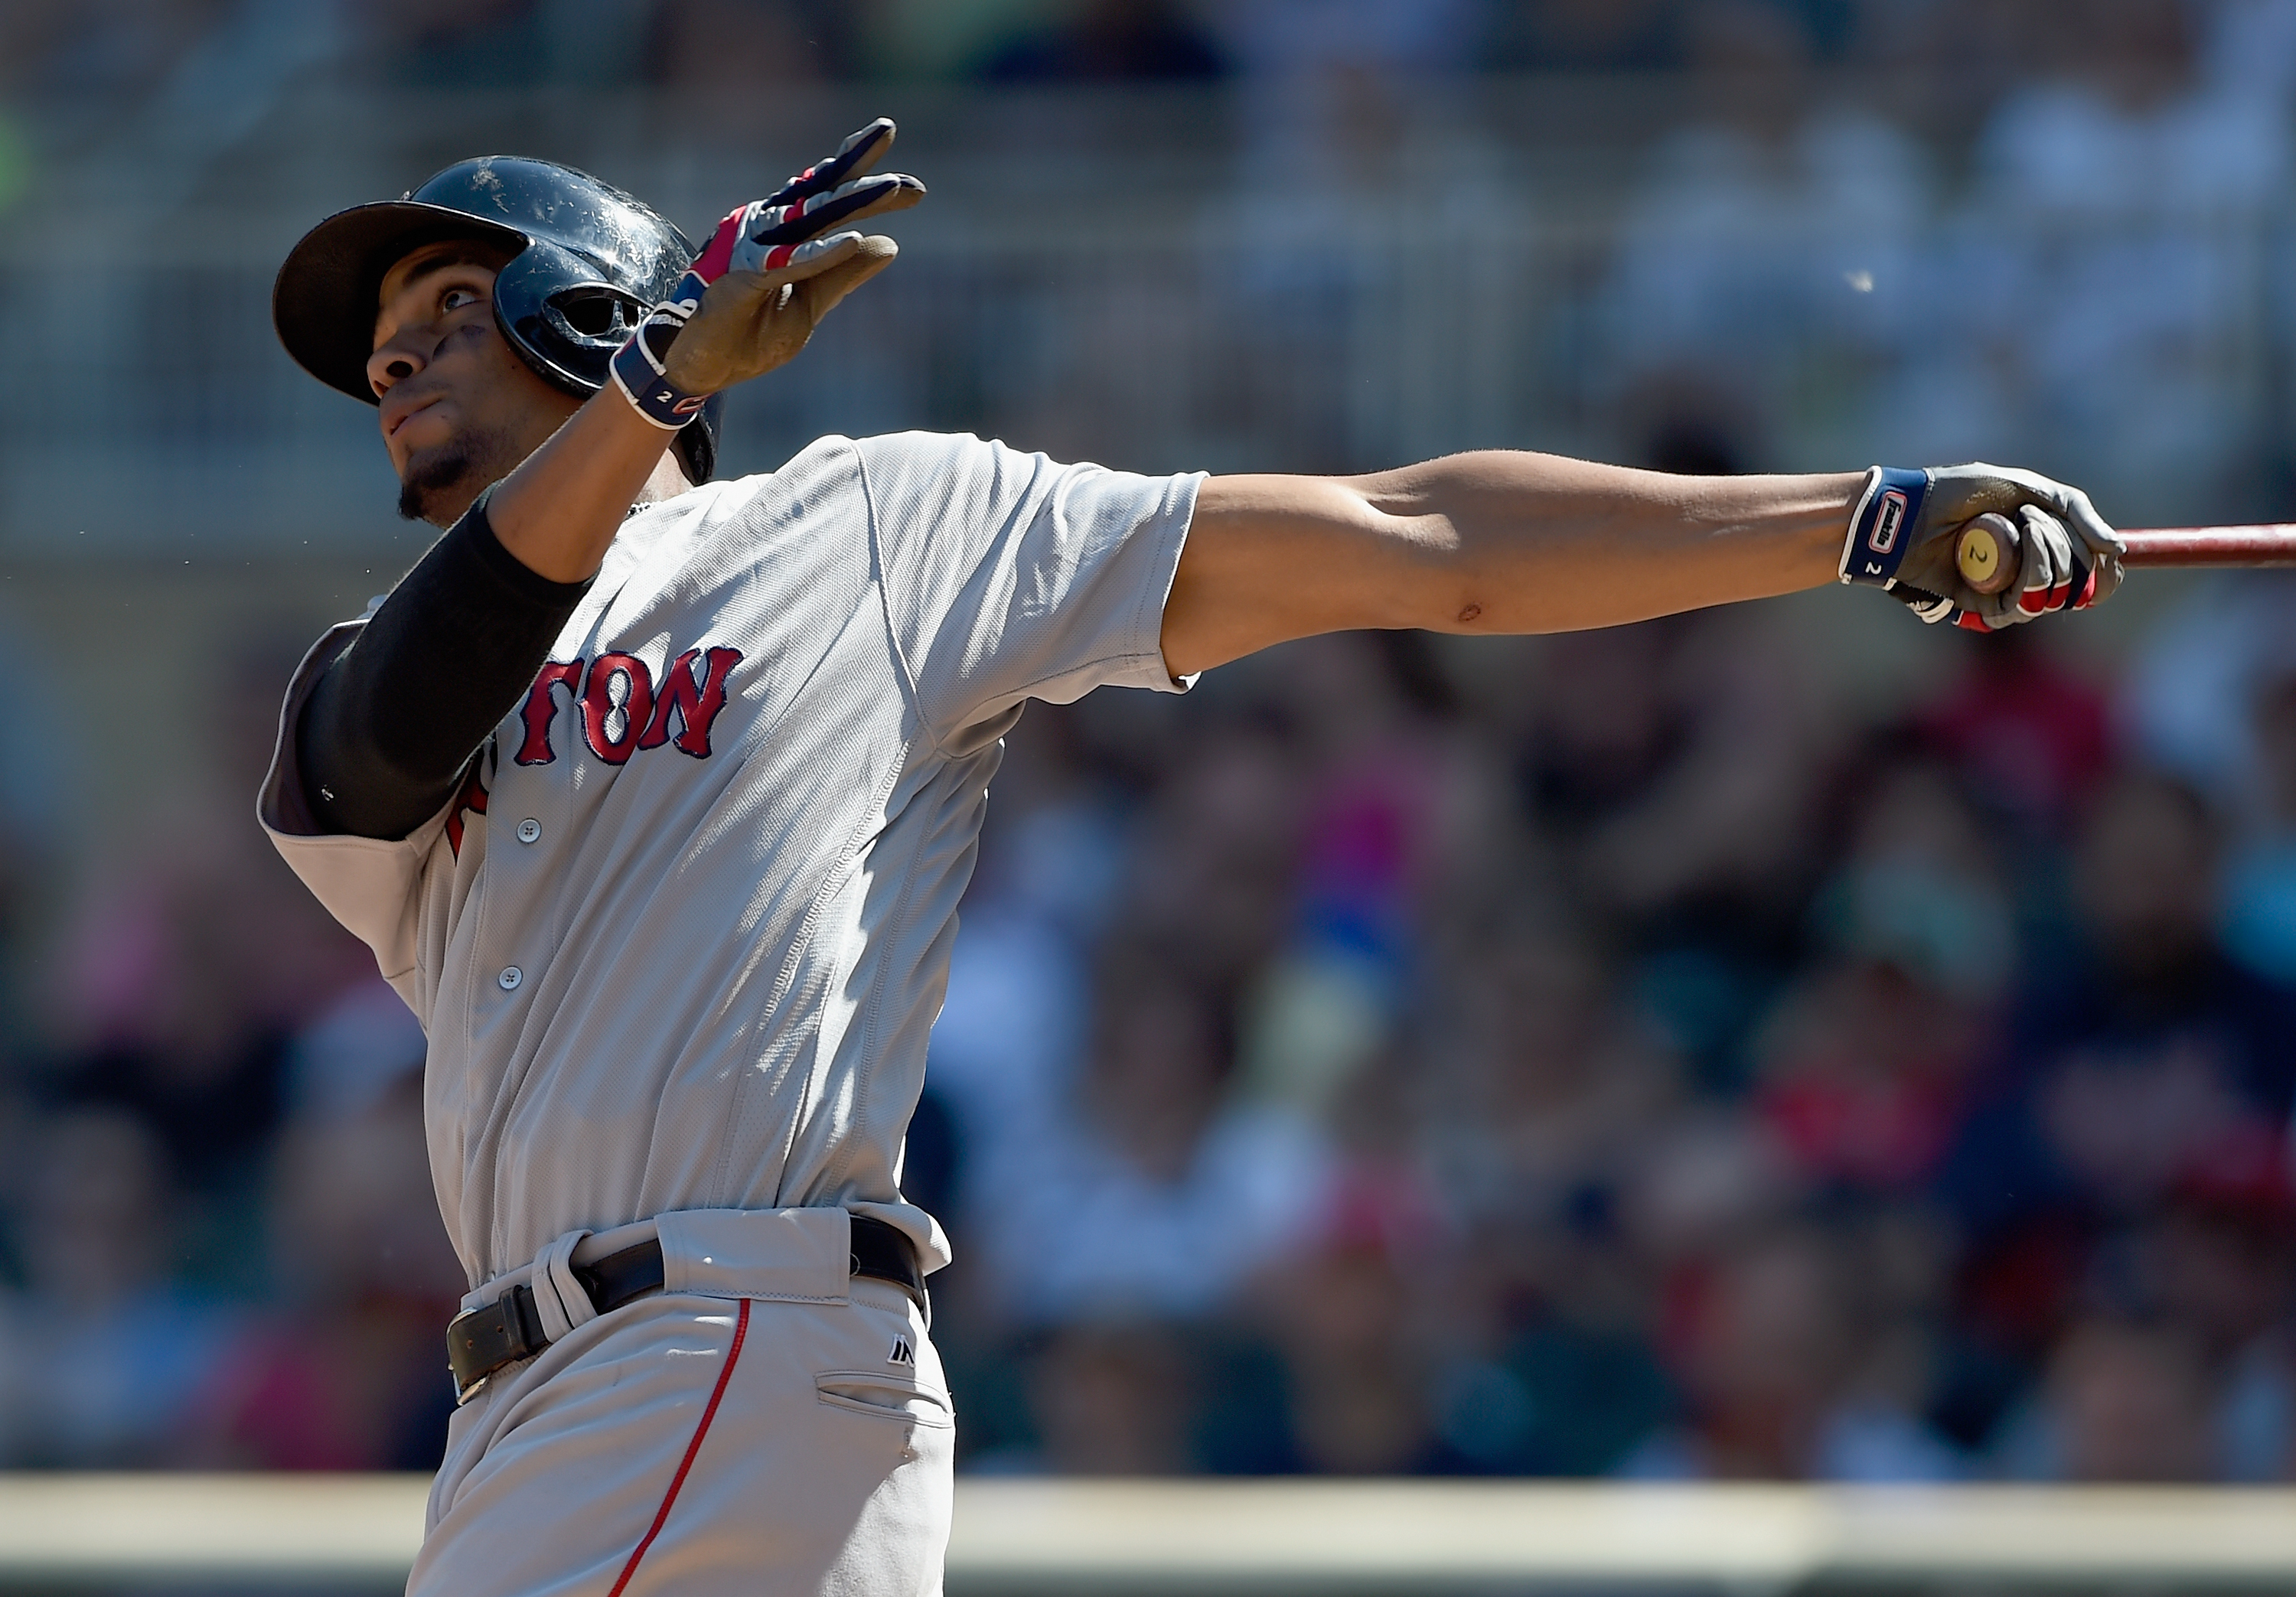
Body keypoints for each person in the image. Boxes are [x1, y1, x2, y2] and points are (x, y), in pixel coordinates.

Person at [259, 120, 2123, 1595]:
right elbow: (390, 735)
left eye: (445, 292)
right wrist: (649, 399)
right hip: (535, 1401)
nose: (390, 346)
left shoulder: (874, 535)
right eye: (376, 338)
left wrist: (1851, 518)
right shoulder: (379, 664)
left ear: (594, 305)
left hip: (719, 1339)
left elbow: (1410, 536)